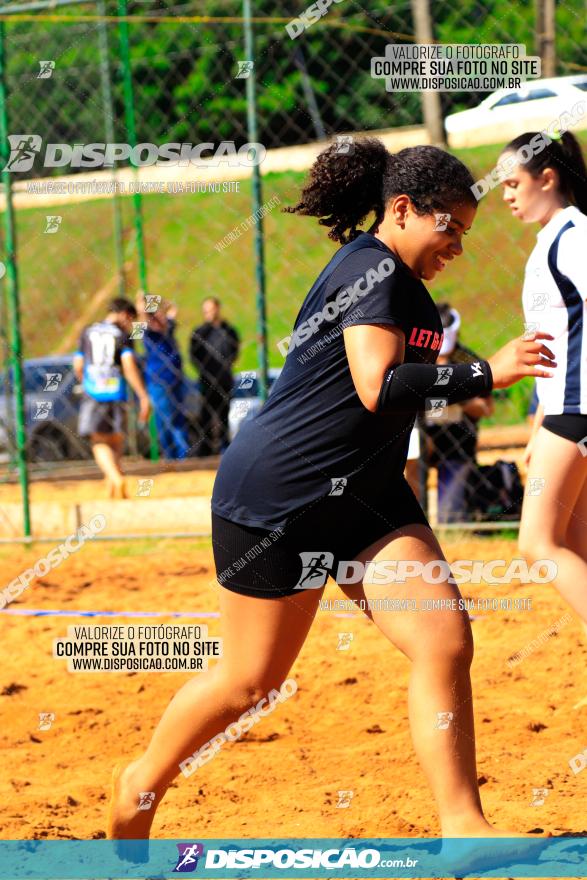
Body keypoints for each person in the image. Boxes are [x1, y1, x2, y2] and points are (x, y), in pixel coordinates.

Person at [108, 140, 555, 843]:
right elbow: (376, 385)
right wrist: (481, 375)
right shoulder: (370, 270)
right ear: (403, 209)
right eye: (452, 230)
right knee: (249, 684)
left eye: (467, 233)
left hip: (366, 499)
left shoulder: (405, 286)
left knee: (442, 641)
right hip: (280, 499)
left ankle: (463, 827)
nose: (458, 247)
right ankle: (139, 782)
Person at [499, 129, 587, 636]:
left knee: (537, 543)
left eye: (513, 183)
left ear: (547, 178)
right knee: (574, 545)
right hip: (563, 410)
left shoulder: (573, 238)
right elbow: (548, 347)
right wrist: (536, 427)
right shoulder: (552, 240)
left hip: (577, 410)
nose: (506, 195)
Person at [422, 303, 494, 522]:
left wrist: (458, 398)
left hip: (458, 442)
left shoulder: (469, 361)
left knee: (449, 518)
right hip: (422, 437)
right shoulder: (417, 355)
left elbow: (487, 408)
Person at [74, 298, 150, 498]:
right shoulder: (123, 336)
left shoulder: (87, 331)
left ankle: (115, 478)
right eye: (131, 320)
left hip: (94, 393)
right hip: (116, 392)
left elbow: (78, 365)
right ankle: (114, 480)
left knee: (99, 441)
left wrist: (87, 380)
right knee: (116, 439)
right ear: (125, 314)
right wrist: (142, 395)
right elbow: (128, 366)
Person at [135, 292, 191, 461]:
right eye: (155, 312)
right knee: (166, 420)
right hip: (158, 381)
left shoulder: (168, 327)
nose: (160, 315)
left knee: (178, 418)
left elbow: (173, 309)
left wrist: (160, 302)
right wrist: (141, 302)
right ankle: (171, 456)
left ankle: (182, 456)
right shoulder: (145, 331)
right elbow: (141, 317)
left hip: (176, 379)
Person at [189, 297, 239, 456]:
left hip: (224, 380)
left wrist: (224, 368)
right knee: (206, 415)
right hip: (206, 380)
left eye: (211, 309)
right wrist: (205, 371)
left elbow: (234, 352)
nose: (209, 313)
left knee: (225, 413)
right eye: (206, 310)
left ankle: (225, 447)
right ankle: (206, 449)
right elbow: (194, 356)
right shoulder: (199, 333)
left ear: (218, 309)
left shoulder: (229, 330)